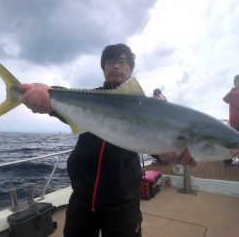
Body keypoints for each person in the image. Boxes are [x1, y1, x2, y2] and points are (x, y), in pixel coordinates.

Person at [19, 44, 199, 237]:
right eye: (110, 62)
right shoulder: (88, 97)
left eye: (122, 61)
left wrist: (168, 153)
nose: (115, 66)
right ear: (104, 68)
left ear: (130, 69)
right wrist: (48, 93)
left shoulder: (147, 107)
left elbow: (155, 140)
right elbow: (63, 104)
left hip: (123, 202)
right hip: (82, 198)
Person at [223, 74, 239, 166]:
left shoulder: (232, 93)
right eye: (238, 81)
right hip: (235, 123)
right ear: (235, 83)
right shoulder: (235, 93)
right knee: (232, 143)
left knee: (232, 143)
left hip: (233, 123)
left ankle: (228, 161)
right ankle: (227, 162)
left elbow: (225, 99)